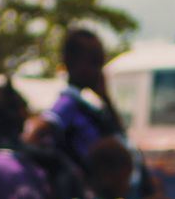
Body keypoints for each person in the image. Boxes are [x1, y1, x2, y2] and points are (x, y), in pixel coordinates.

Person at [45, 28, 128, 170]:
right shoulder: (68, 103)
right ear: (70, 63)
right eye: (93, 63)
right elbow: (41, 126)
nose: (98, 71)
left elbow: (119, 136)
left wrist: (106, 97)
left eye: (100, 64)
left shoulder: (90, 107)